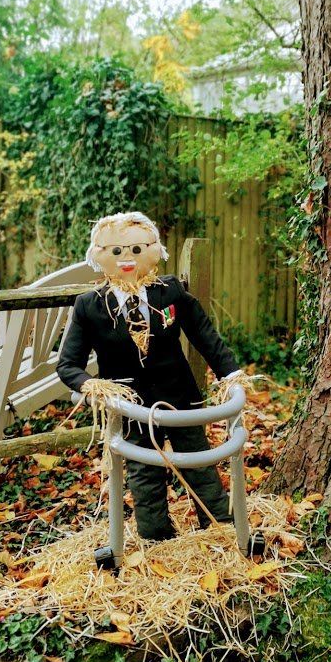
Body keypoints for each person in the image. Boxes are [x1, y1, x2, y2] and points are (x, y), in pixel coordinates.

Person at [56, 211, 241, 541]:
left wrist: (232, 374)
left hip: (179, 397)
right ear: (100, 255)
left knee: (198, 463)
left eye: (136, 250)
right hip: (132, 406)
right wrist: (91, 384)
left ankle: (220, 531)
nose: (127, 259)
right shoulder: (89, 306)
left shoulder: (168, 291)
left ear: (152, 250)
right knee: (144, 474)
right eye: (117, 251)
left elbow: (203, 333)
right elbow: (68, 363)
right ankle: (156, 541)